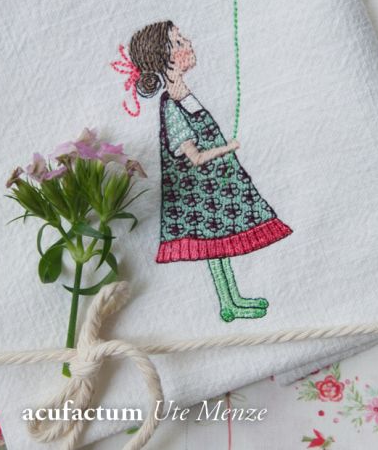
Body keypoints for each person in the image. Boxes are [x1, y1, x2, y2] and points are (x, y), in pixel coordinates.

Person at [112, 21, 292, 322]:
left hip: (216, 189)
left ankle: (233, 299)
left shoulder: (186, 97)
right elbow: (194, 157)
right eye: (178, 42)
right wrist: (227, 148)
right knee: (212, 246)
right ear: (164, 58)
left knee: (219, 246)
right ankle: (228, 303)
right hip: (200, 195)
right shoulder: (172, 107)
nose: (188, 43)